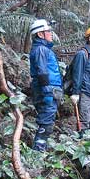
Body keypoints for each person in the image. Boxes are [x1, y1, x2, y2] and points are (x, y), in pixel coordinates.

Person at [29, 19, 63, 151]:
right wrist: (47, 92)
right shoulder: (41, 49)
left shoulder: (43, 49)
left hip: (49, 90)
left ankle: (40, 149)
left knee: (48, 121)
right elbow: (42, 72)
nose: (50, 33)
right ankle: (38, 151)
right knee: (46, 122)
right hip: (46, 91)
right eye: (48, 31)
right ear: (40, 34)